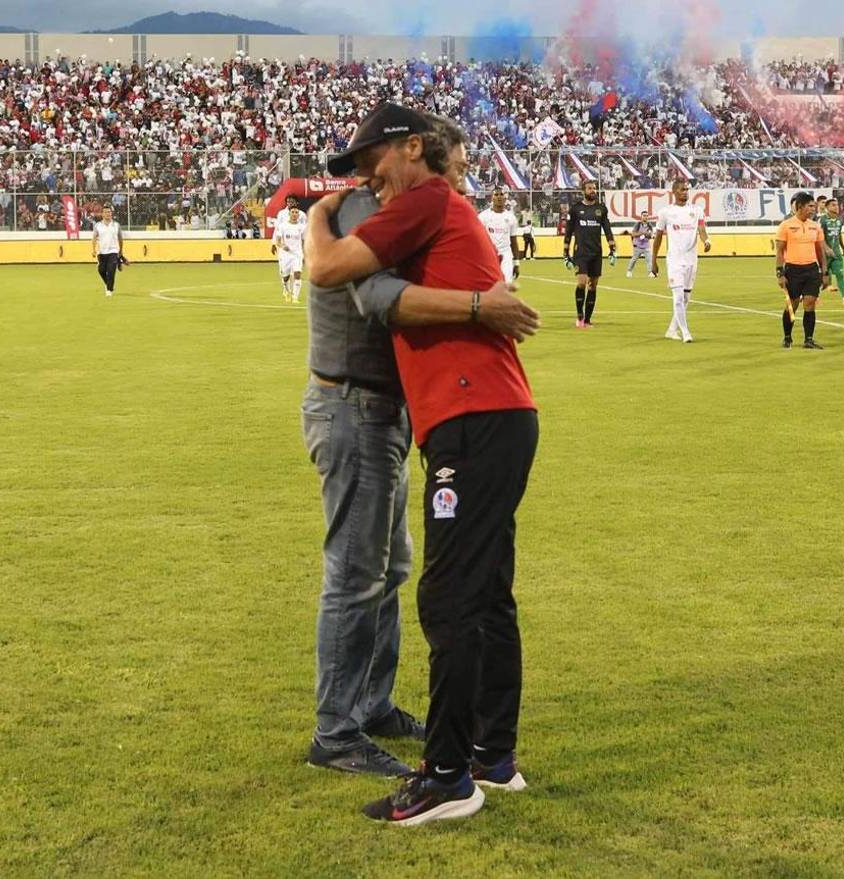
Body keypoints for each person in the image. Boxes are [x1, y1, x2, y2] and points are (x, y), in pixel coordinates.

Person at [307, 103, 539, 826]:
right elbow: (368, 290)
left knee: (446, 595)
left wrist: (313, 217)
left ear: (413, 149)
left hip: (469, 416)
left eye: (375, 165)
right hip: (481, 414)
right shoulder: (427, 204)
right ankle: (489, 758)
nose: (368, 183)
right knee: (479, 590)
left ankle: (446, 775)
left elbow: (341, 275)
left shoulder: (427, 198)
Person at [651, 179, 710, 344]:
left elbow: (702, 230)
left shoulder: (697, 210)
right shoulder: (666, 212)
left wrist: (707, 241)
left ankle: (671, 330)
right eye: (682, 190)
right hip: (675, 261)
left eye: (687, 190)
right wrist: (653, 261)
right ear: (674, 192)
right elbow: (658, 238)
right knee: (677, 298)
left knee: (685, 298)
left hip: (692, 260)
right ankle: (686, 333)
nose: (685, 192)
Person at [775, 192, 828, 349]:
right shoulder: (786, 225)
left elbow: (820, 251)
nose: (813, 209)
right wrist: (780, 273)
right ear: (800, 207)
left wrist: (824, 272)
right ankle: (787, 337)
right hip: (793, 269)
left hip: (811, 269)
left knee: (810, 304)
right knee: (793, 304)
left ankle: (809, 339)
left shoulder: (815, 226)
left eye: (813, 206)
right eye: (809, 206)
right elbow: (779, 251)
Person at [563, 179, 616, 328]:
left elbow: (607, 230)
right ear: (583, 191)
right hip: (580, 252)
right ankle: (580, 315)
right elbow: (568, 232)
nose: (593, 190)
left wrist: (612, 249)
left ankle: (587, 320)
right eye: (589, 188)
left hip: (596, 253)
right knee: (581, 282)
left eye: (594, 188)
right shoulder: (575, 209)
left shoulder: (601, 209)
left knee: (593, 286)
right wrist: (565, 253)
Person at [819, 196, 844, 307]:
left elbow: (839, 235)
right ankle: (809, 296)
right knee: (821, 278)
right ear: (827, 207)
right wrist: (826, 248)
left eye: (836, 205)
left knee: (840, 274)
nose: (836, 207)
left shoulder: (840, 220)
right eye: (833, 205)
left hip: (836, 253)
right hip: (824, 254)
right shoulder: (823, 220)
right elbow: (820, 237)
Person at [477, 187, 521, 282]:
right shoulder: (483, 217)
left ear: (505, 198)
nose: (499, 197)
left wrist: (516, 263)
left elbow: (513, 241)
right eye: (496, 195)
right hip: (489, 255)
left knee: (506, 284)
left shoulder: (511, 217)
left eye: (501, 194)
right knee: (489, 285)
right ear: (491, 198)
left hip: (506, 254)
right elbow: (477, 240)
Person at [271, 202, 305, 303]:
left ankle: (295, 297)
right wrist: (282, 246)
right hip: (285, 255)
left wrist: (304, 252)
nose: (294, 214)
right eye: (292, 212)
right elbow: (278, 241)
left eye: (296, 212)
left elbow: (304, 240)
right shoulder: (283, 226)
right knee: (285, 277)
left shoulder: (302, 227)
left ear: (298, 215)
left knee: (297, 274)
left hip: (297, 254)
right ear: (289, 214)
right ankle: (286, 289)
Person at [92, 205, 123, 297]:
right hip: (102, 252)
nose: (108, 214)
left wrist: (121, 251)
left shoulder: (116, 225)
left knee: (111, 270)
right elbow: (94, 238)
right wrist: (93, 250)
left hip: (113, 251)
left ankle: (109, 290)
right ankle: (108, 283)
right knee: (101, 270)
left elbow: (120, 239)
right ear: (102, 214)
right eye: (106, 212)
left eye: (109, 212)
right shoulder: (98, 225)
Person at [625, 210, 654, 278]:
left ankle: (650, 272)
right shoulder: (637, 224)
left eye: (647, 216)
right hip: (638, 245)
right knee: (634, 259)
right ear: (641, 216)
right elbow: (633, 234)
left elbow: (651, 234)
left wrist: (649, 236)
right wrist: (642, 233)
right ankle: (629, 271)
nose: (645, 217)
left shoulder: (650, 225)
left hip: (646, 245)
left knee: (649, 259)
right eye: (644, 216)